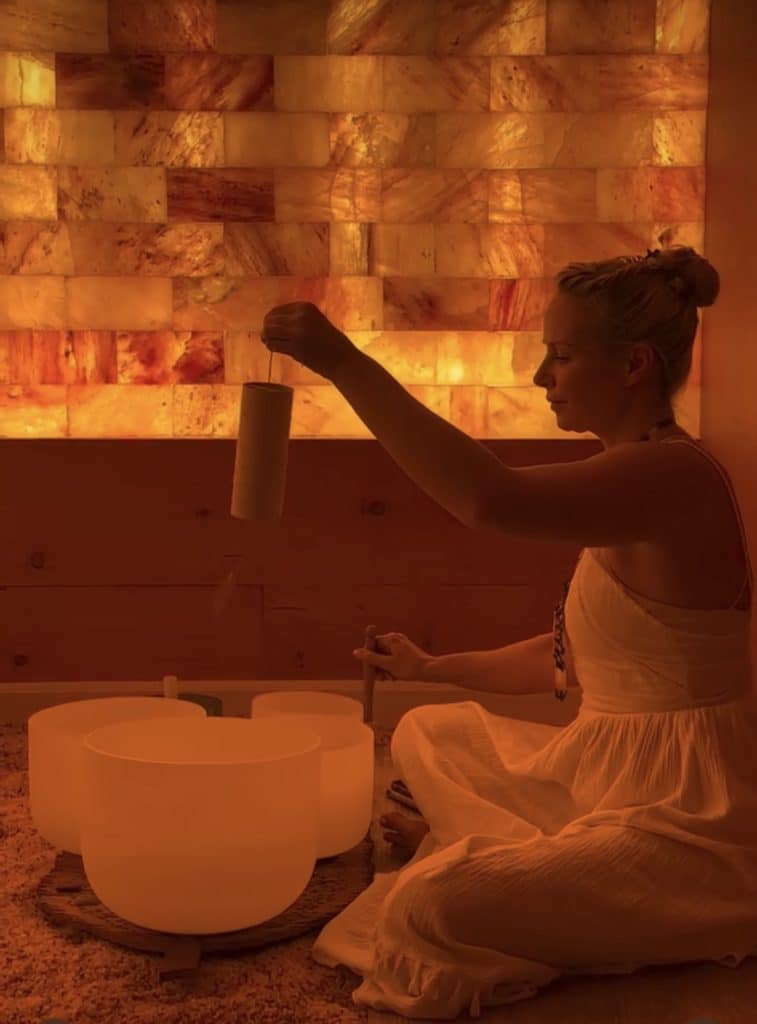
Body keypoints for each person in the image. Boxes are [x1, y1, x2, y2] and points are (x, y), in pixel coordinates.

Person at [261, 245, 757, 1020]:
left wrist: (343, 362)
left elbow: (487, 500)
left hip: (695, 818)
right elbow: (569, 660)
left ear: (632, 365)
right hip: (610, 770)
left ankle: (524, 869)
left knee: (433, 907)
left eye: (559, 356)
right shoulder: (630, 474)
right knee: (430, 731)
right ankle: (528, 859)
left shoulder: (672, 477)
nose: (539, 377)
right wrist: (431, 667)